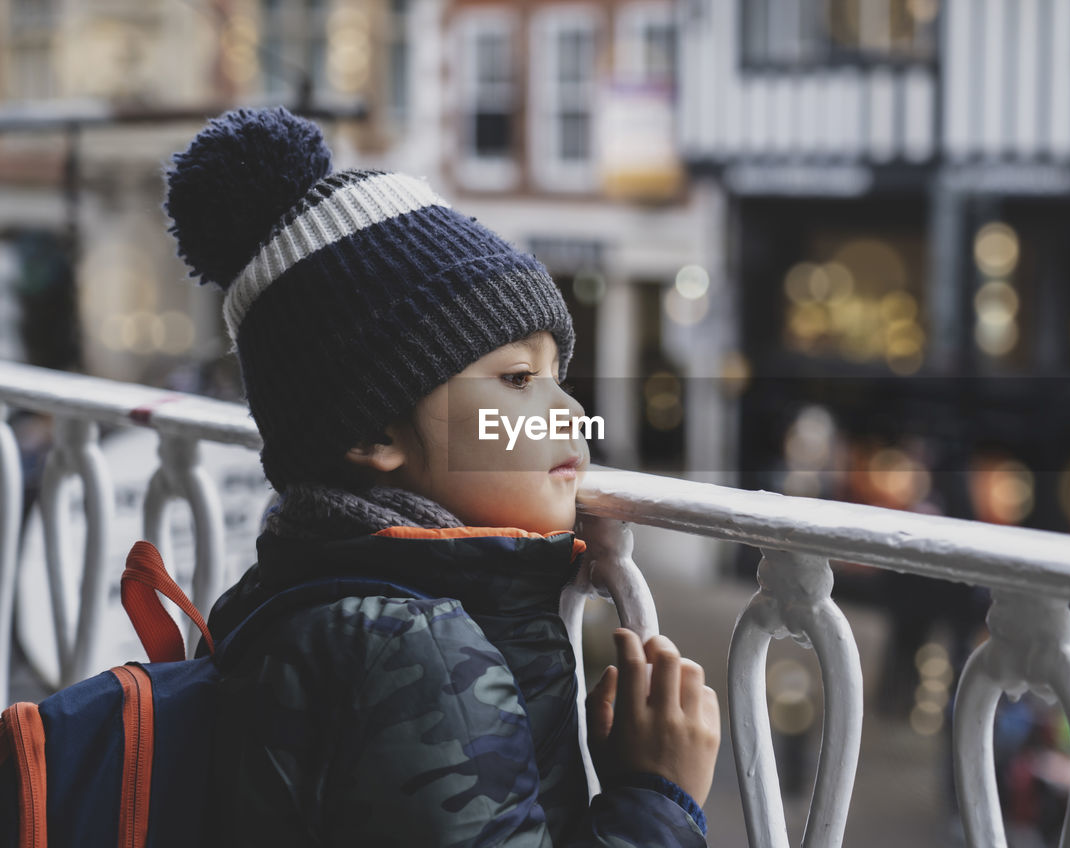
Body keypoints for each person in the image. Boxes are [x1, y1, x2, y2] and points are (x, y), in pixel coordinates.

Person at [161, 106, 719, 846]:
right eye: (519, 377)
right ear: (372, 431)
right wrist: (660, 797)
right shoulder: (413, 652)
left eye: (559, 374)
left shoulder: (294, 591)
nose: (569, 408)